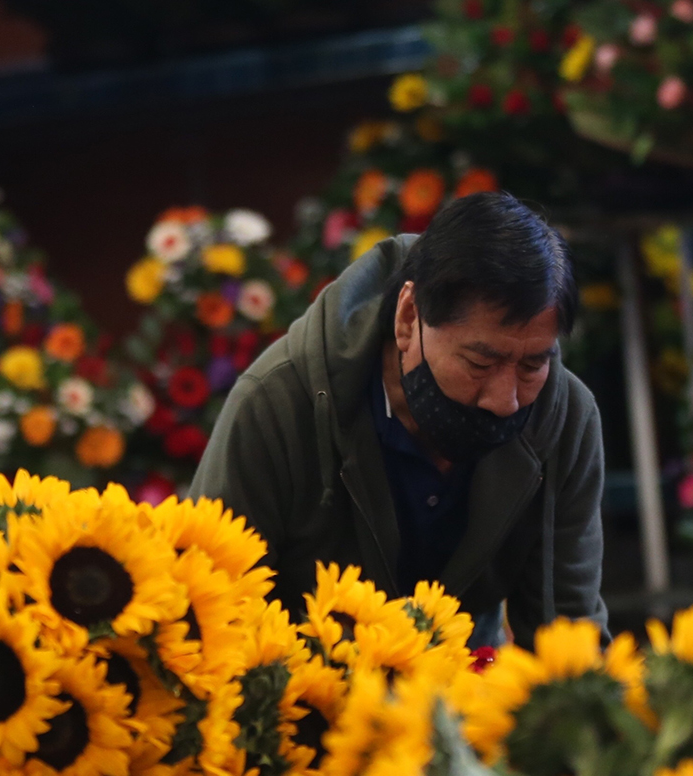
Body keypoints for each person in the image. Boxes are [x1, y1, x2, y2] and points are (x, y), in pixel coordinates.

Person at [190, 191, 606, 646]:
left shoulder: (561, 420)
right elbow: (210, 618)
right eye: (480, 364)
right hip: (304, 693)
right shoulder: (277, 407)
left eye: (531, 366)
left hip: (468, 694)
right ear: (409, 318)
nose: (504, 401)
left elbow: (567, 634)